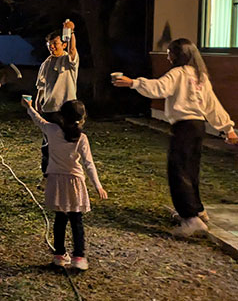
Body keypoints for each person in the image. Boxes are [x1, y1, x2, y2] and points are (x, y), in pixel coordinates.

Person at [113, 38, 238, 237]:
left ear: (179, 54)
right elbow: (212, 104)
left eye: (170, 52)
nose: (168, 56)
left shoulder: (178, 73)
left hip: (184, 126)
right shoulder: (199, 76)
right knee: (191, 169)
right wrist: (227, 128)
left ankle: (190, 219)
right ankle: (197, 209)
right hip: (198, 127)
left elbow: (159, 88)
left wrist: (133, 83)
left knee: (178, 170)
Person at [23, 97, 107, 270]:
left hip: (56, 181)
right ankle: (79, 257)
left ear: (61, 116)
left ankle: (59, 255)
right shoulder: (81, 138)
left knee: (60, 219)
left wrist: (29, 107)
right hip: (75, 182)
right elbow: (89, 164)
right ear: (82, 119)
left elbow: (38, 120)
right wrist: (98, 185)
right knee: (76, 220)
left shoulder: (52, 130)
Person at [36, 20, 79, 176]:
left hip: (67, 109)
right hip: (49, 110)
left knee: (68, 143)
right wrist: (38, 102)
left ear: (64, 44)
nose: (52, 46)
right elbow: (41, 86)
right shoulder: (46, 63)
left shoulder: (68, 60)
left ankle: (67, 173)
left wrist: (71, 32)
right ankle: (46, 175)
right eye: (49, 44)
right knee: (48, 144)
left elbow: (73, 49)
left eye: (55, 43)